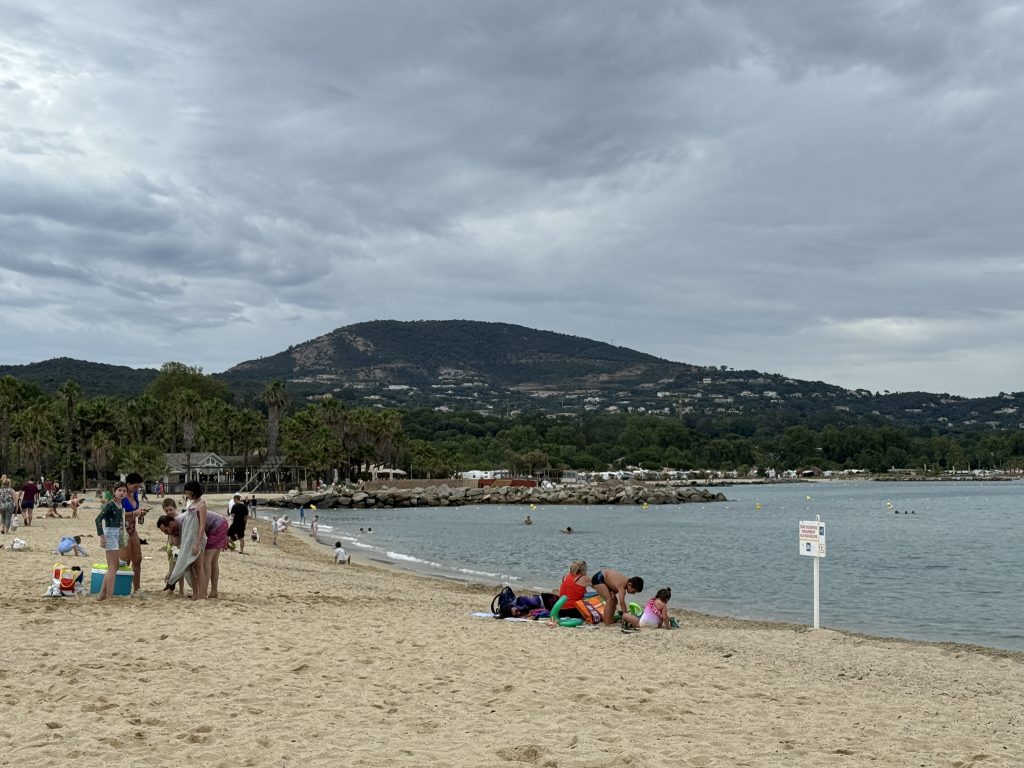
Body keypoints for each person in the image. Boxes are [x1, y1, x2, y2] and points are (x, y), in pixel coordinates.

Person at [94, 482, 127, 601]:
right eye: (119, 490)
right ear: (114, 491)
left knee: (113, 566)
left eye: (124, 491)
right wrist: (101, 536)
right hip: (109, 533)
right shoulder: (111, 504)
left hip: (116, 533)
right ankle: (109, 596)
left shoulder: (120, 506)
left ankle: (102, 594)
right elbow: (98, 519)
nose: (122, 493)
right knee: (113, 567)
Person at [120, 472, 150, 593]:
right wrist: (134, 513)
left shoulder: (135, 494)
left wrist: (140, 512)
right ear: (128, 484)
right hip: (122, 529)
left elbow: (135, 510)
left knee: (137, 559)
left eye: (138, 486)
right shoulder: (121, 495)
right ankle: (123, 587)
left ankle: (137, 588)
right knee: (125, 559)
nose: (137, 488)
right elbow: (119, 514)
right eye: (135, 486)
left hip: (133, 528)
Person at [158, 499, 185, 596]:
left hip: (178, 546)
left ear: (175, 508)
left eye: (170, 510)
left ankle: (181, 590)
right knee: (171, 565)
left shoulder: (178, 519)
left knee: (179, 569)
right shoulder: (167, 519)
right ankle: (171, 588)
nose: (169, 512)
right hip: (171, 545)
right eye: (166, 511)